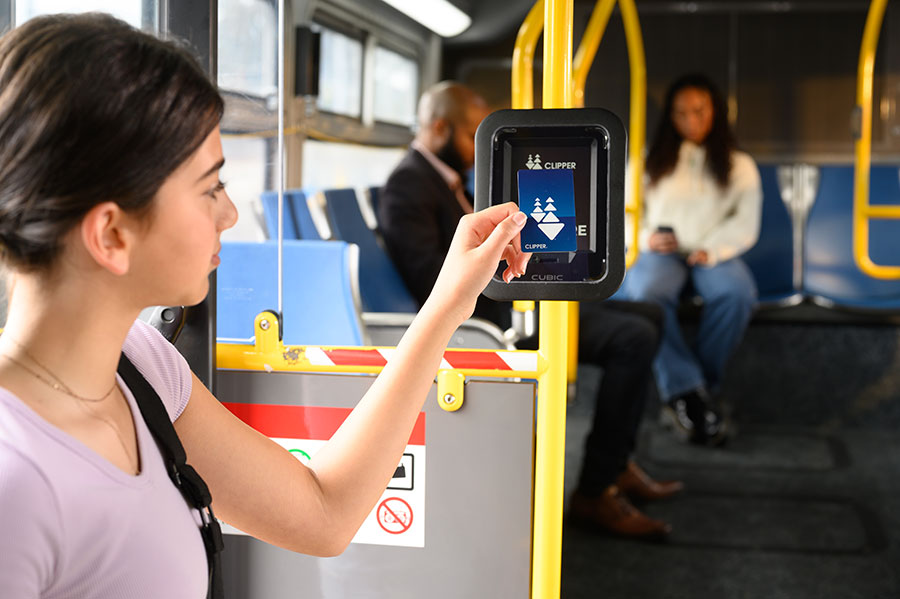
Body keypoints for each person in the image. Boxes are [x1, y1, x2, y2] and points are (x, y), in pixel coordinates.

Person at [0, 15, 533, 598]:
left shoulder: (141, 366)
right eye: (210, 188)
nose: (229, 215)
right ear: (111, 235)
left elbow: (323, 512)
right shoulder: (16, 482)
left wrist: (449, 302)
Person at [378, 81, 683, 541]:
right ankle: (596, 487)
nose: (474, 144)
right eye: (468, 133)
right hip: (488, 317)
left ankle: (617, 462)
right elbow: (429, 278)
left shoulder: (447, 180)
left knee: (650, 317)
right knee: (632, 338)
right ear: (440, 127)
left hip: (505, 298)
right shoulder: (408, 184)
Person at [618, 73, 761, 446]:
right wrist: (646, 237)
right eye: (681, 113)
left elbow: (745, 222)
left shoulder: (738, 164)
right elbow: (626, 214)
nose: (691, 121)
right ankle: (694, 397)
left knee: (736, 294)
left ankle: (692, 393)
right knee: (645, 291)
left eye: (699, 111)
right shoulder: (650, 160)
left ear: (715, 112)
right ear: (670, 117)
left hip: (712, 252)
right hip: (661, 252)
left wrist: (712, 249)